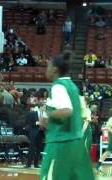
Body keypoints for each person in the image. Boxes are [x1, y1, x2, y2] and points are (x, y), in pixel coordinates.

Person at [40, 51, 95, 180]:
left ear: (54, 69)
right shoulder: (73, 87)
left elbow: (66, 111)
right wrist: (49, 123)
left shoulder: (58, 86)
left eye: (47, 66)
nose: (46, 70)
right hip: (76, 144)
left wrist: (48, 114)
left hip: (61, 144)